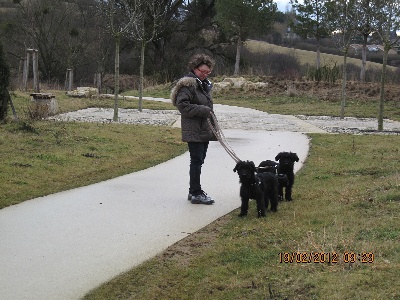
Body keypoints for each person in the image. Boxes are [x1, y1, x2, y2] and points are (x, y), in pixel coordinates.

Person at [171, 54, 217, 205]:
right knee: (196, 160)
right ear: (194, 69)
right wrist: (203, 110)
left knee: (199, 160)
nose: (205, 74)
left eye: (207, 72)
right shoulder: (188, 85)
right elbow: (182, 105)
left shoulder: (203, 85)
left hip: (203, 128)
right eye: (202, 71)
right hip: (193, 129)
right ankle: (196, 192)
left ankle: (194, 191)